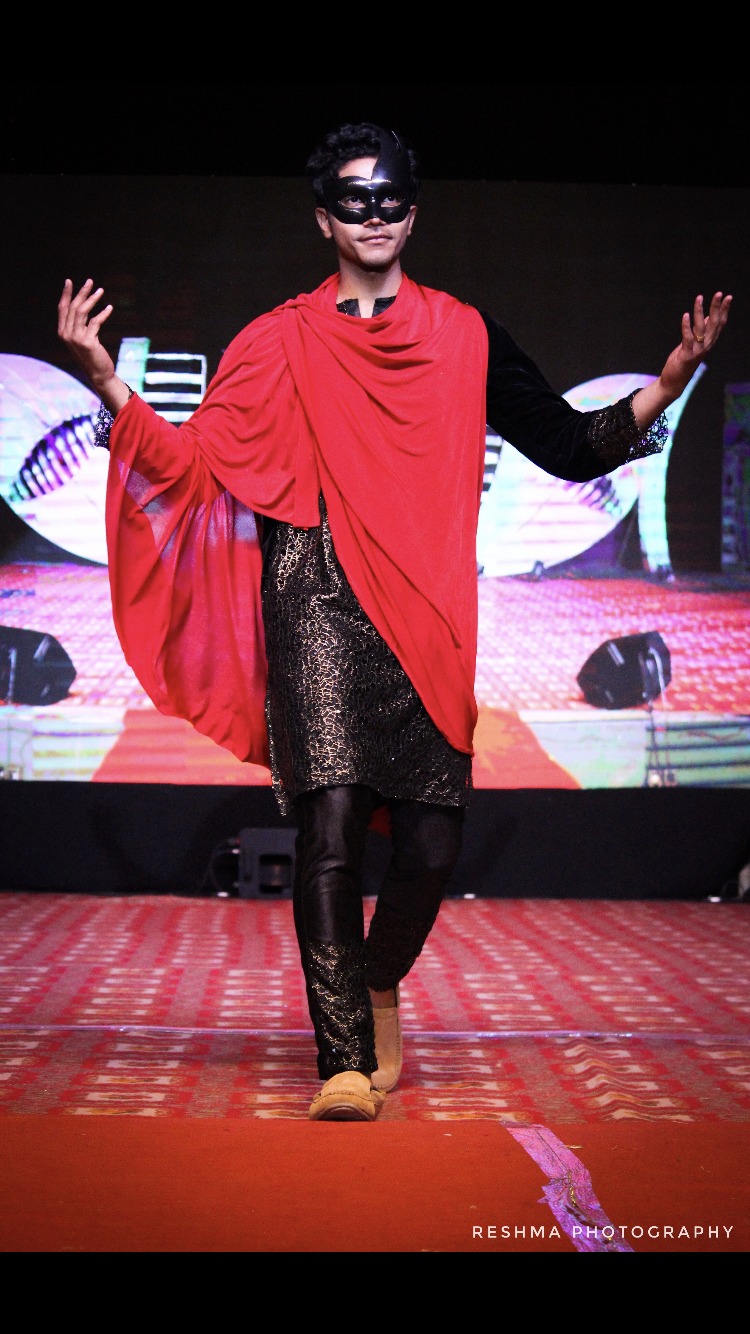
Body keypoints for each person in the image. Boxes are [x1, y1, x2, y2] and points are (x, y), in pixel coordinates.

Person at [57, 121, 732, 1122]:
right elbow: (193, 464)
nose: (373, 215)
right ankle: (341, 1059)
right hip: (314, 594)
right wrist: (105, 378)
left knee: (431, 848)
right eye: (353, 199)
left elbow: (565, 443)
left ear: (412, 214)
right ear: (324, 218)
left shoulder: (464, 333)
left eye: (390, 198)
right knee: (328, 828)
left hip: (427, 606)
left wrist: (666, 385)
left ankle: (375, 982)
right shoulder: (276, 339)